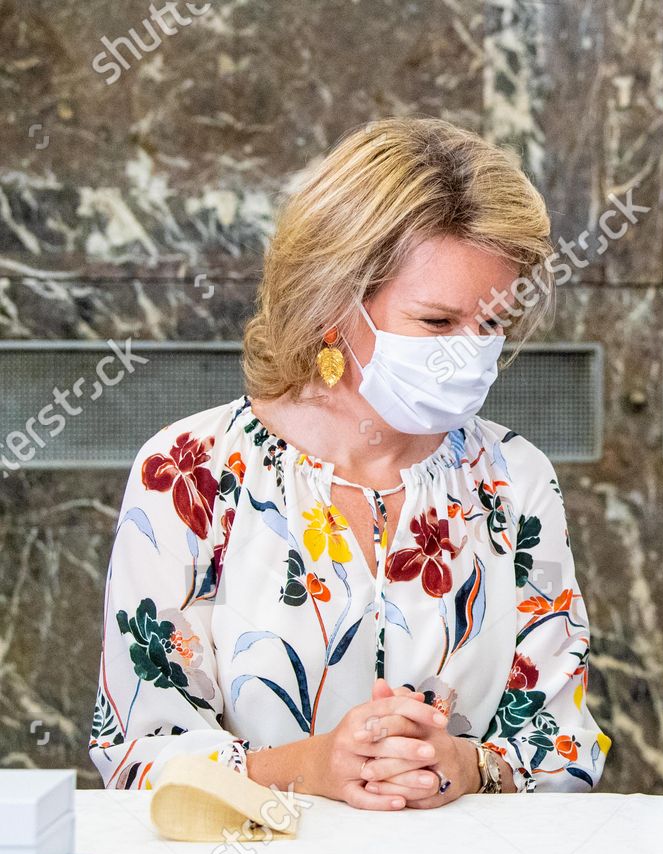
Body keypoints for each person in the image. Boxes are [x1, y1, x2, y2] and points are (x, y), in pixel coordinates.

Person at [89, 117, 608, 807]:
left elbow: (566, 743)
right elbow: (137, 755)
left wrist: (467, 766)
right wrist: (310, 768)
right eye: (437, 321)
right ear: (335, 300)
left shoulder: (515, 479)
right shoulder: (190, 472)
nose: (470, 351)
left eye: (491, 325)